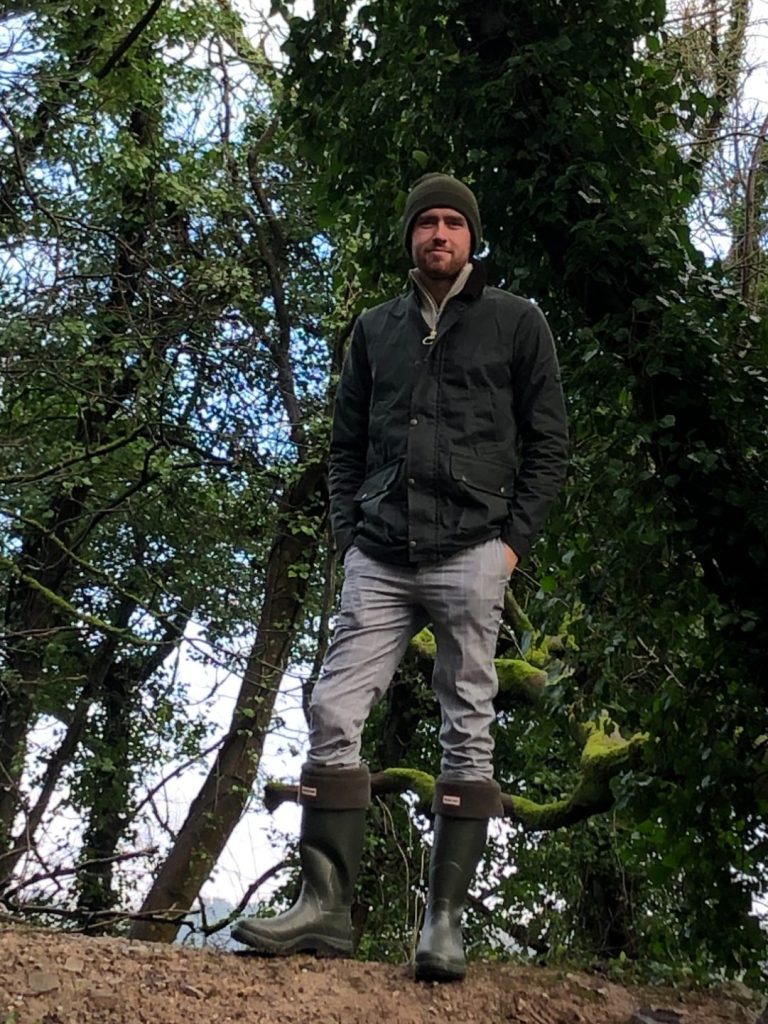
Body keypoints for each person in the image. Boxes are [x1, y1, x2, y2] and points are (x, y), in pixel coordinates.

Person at [233, 173, 569, 981]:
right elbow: (345, 447)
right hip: (380, 552)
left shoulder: (517, 322)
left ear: (471, 237)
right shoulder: (375, 330)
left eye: (454, 223)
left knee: (468, 724)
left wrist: (510, 546)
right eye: (428, 223)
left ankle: (443, 925)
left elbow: (550, 445)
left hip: (472, 550)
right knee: (332, 707)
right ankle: (324, 909)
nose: (440, 235)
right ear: (410, 237)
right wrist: (351, 540)